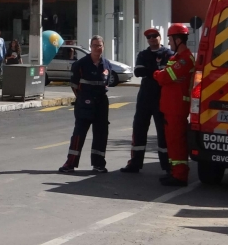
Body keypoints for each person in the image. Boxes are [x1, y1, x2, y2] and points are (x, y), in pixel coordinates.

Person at [59, 35, 115, 174]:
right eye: (95, 45)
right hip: (85, 103)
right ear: (90, 47)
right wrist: (83, 99)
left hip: (101, 103)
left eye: (100, 45)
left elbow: (106, 84)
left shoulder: (107, 64)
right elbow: (74, 86)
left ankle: (98, 164)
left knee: (101, 134)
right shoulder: (80, 64)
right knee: (79, 133)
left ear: (103, 47)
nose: (97, 48)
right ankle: (70, 163)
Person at [120, 28, 173, 174]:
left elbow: (170, 74)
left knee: (163, 132)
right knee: (139, 130)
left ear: (160, 37)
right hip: (145, 98)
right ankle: (135, 163)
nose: (152, 39)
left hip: (161, 98)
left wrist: (150, 71)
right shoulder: (143, 54)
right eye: (149, 37)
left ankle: (166, 165)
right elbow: (138, 72)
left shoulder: (169, 54)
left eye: (154, 36)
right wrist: (157, 72)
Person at [154, 23, 195, 186]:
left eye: (170, 39)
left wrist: (158, 74)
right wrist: (162, 75)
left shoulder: (185, 59)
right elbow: (166, 76)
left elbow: (164, 78)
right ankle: (174, 172)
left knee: (177, 142)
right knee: (172, 141)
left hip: (177, 107)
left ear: (178, 39)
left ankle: (180, 175)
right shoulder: (176, 58)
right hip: (170, 106)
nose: (169, 42)